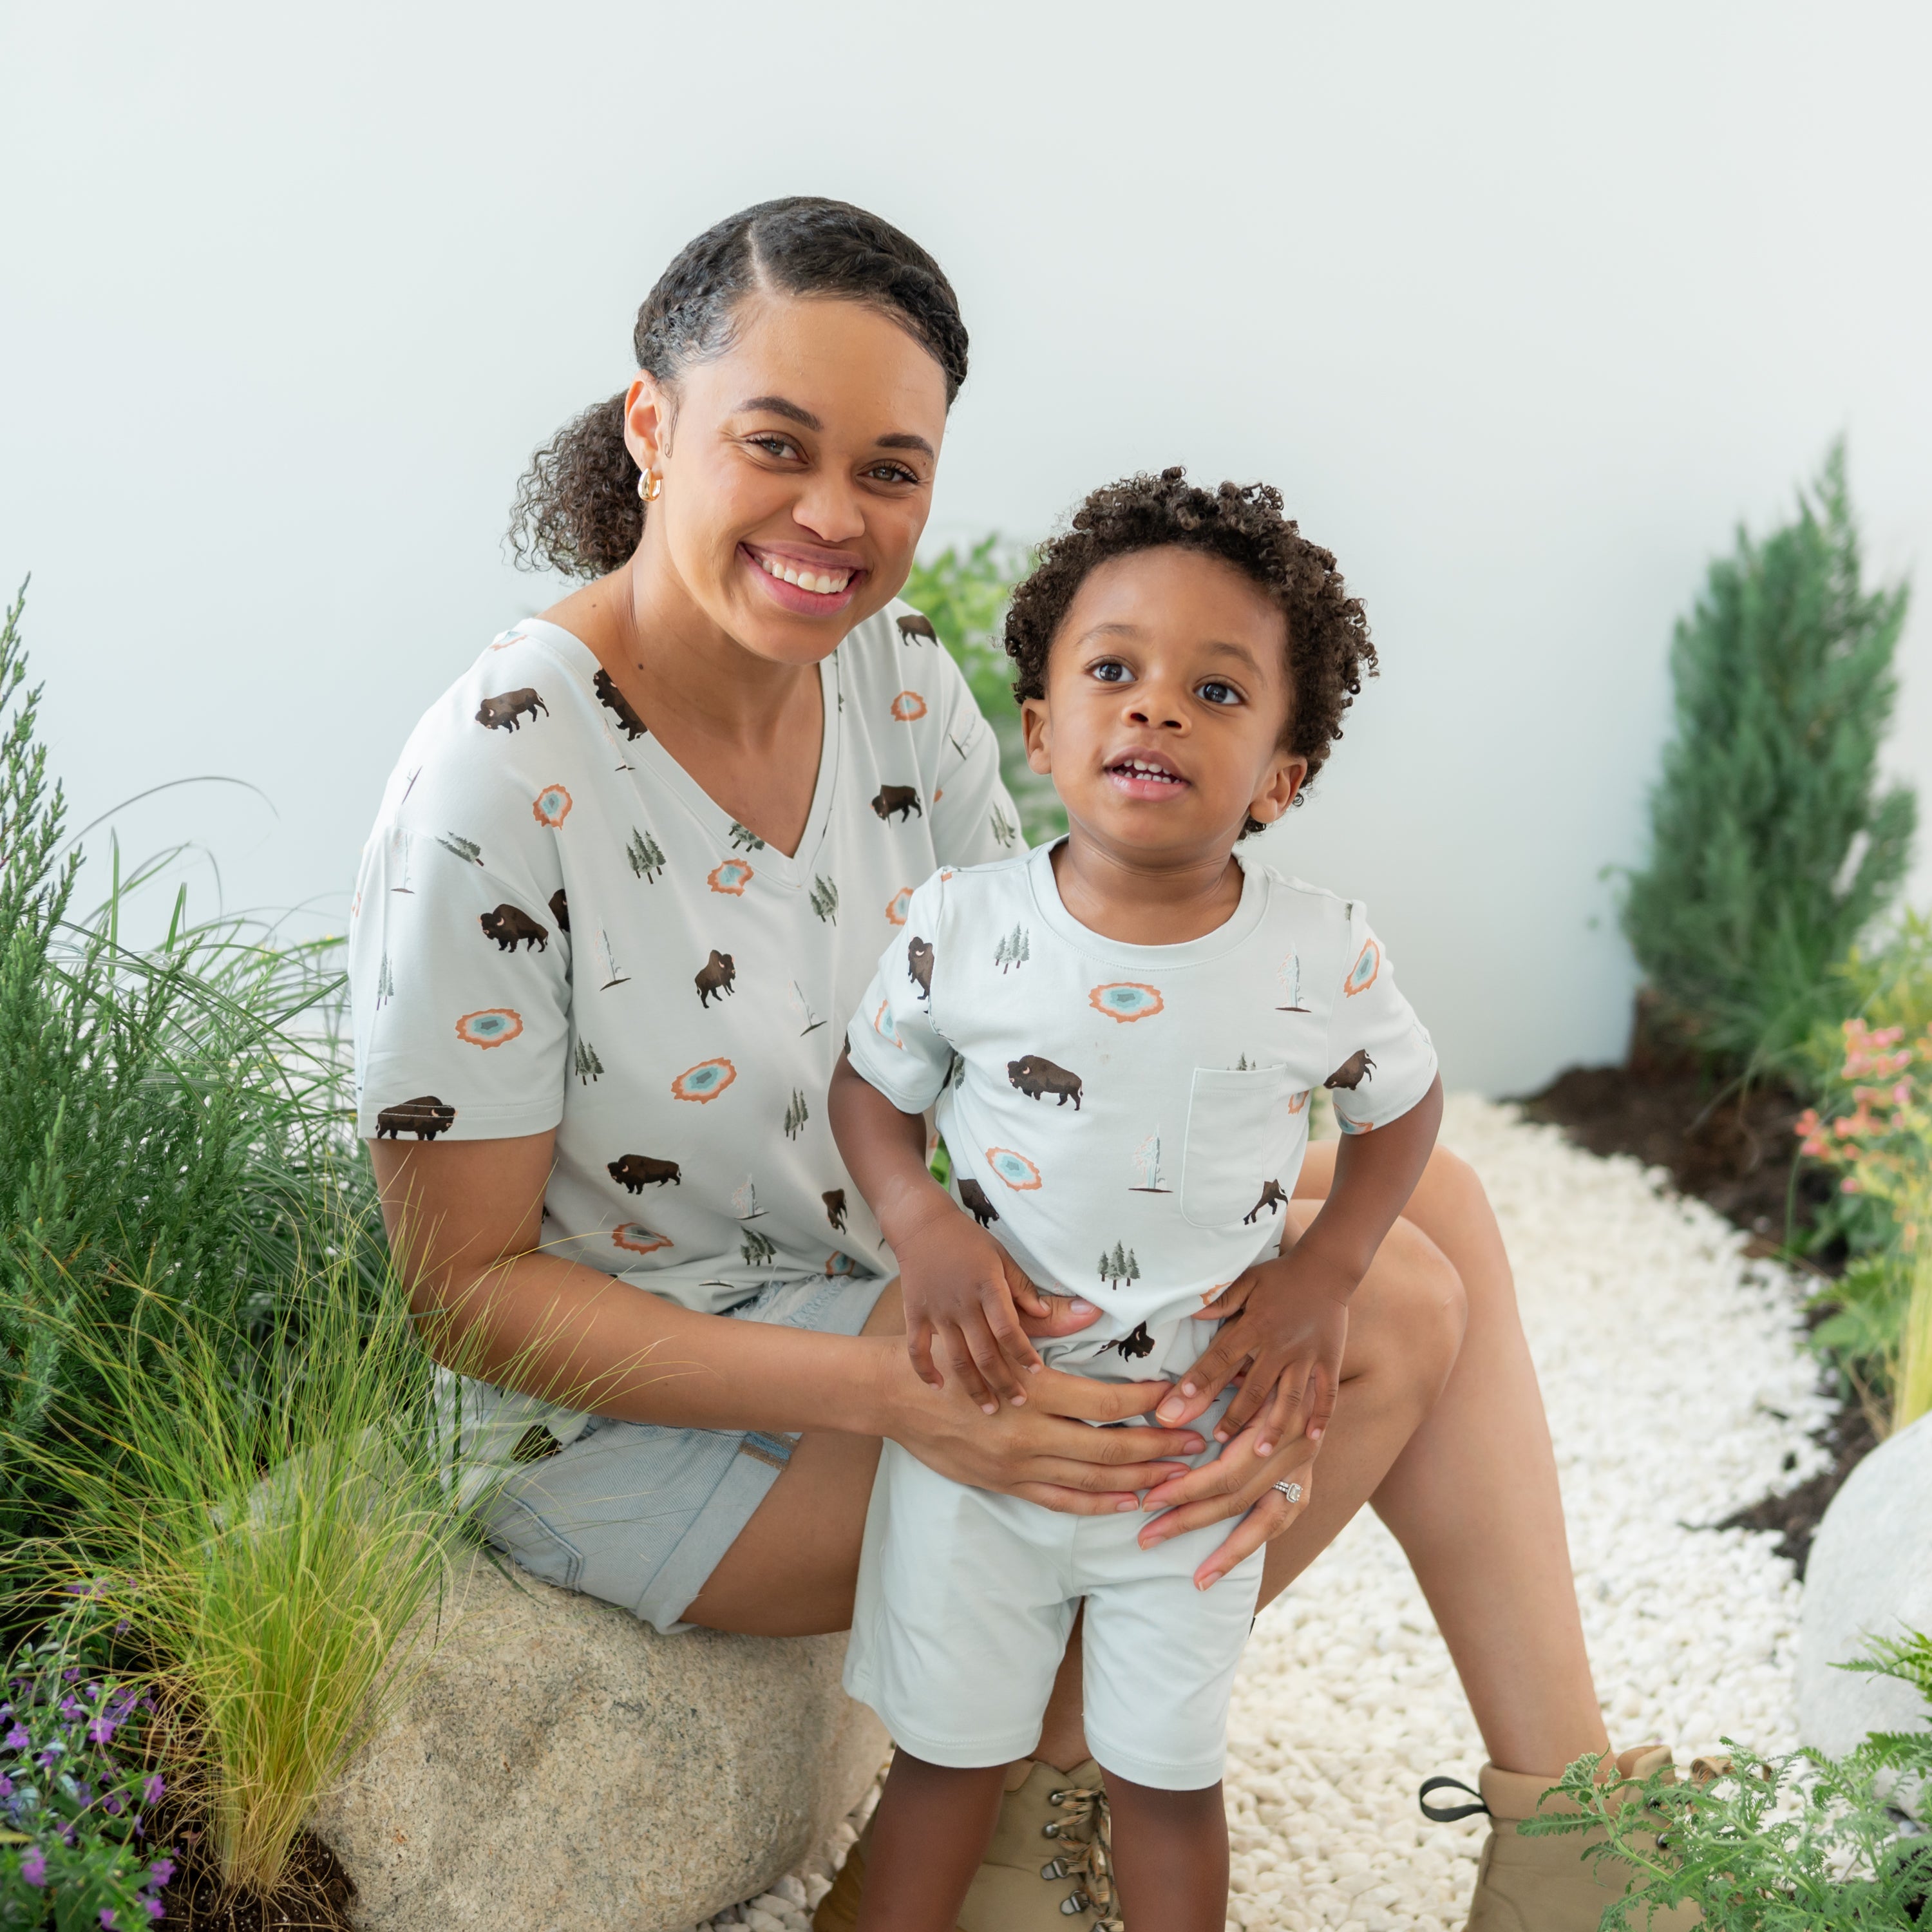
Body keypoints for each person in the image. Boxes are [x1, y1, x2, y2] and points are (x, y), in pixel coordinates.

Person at [352, 197, 1694, 1932]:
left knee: (1425, 1205)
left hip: (899, 1266)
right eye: (779, 445)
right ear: (652, 427)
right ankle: (1018, 1828)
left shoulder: (895, 677)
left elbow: (1036, 1024)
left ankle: (1571, 1835)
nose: (835, 518)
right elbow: (463, 1297)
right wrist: (889, 1395)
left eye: (890, 469)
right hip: (653, 1421)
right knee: (1396, 1329)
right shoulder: (501, 773)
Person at [825, 469, 1446, 1932]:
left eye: (1218, 692)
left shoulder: (1319, 955)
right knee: (941, 1773)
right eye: (1114, 671)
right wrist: (920, 1223)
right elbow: (870, 1090)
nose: (1157, 707)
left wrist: (1332, 1266)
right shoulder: (962, 926)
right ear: (1043, 727)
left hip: (1190, 1458)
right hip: (979, 1426)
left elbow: (1404, 1098)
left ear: (1281, 775)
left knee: (1166, 1781)